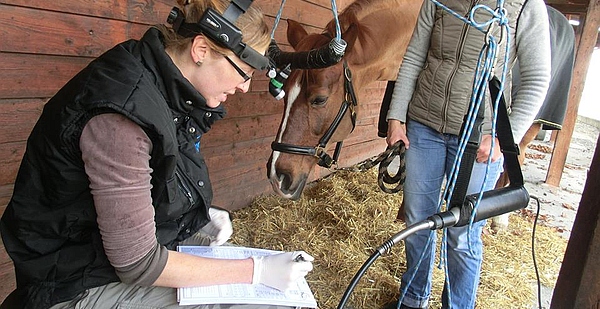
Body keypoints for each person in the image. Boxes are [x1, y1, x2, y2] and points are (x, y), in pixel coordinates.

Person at [0, 0, 313, 308]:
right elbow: (137, 263)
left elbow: (152, 178)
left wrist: (201, 217)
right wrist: (255, 271)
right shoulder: (122, 118)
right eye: (243, 72)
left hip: (100, 252)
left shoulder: (165, 86)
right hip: (70, 281)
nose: (245, 87)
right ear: (201, 50)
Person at [384, 0, 551, 308]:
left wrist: (503, 136)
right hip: (424, 124)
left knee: (462, 233)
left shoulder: (526, 5)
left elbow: (537, 79)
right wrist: (396, 116)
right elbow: (414, 57)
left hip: (479, 140)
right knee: (417, 221)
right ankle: (412, 299)